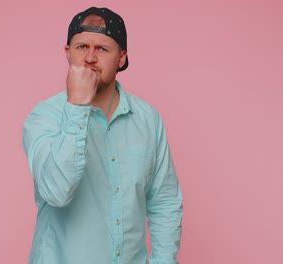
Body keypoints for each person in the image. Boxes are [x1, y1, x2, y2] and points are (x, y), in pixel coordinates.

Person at [22, 6, 183, 264]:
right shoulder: (44, 117)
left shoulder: (148, 119)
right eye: (81, 47)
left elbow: (164, 201)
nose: (90, 58)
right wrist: (77, 107)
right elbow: (57, 193)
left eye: (103, 49)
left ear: (121, 58)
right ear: (67, 53)